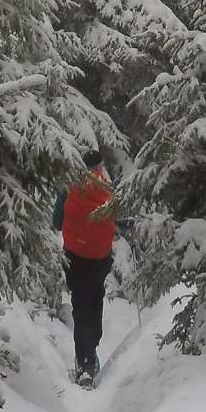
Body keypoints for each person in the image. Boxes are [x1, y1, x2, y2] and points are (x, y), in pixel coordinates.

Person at [51, 148, 119, 387]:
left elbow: (56, 222)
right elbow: (125, 221)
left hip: (75, 257)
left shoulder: (69, 189)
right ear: (100, 168)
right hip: (101, 259)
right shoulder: (110, 190)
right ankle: (91, 351)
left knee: (80, 307)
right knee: (95, 298)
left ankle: (85, 365)